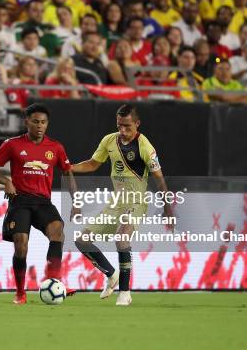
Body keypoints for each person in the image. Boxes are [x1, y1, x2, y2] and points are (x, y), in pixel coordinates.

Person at [70, 104, 172, 306]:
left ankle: (125, 292)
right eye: (119, 126)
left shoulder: (145, 146)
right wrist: (69, 166)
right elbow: (92, 163)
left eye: (127, 126)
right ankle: (111, 273)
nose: (123, 131)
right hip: (116, 204)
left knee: (121, 238)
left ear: (137, 124)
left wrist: (168, 208)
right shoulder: (109, 140)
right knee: (82, 241)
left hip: (136, 202)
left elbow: (159, 179)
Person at [0, 103, 76, 305]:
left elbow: (68, 173)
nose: (39, 126)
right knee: (21, 243)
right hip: (20, 201)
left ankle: (54, 281)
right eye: (35, 121)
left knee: (57, 231)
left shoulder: (56, 147)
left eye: (43, 122)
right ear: (26, 121)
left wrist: (76, 201)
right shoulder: (12, 144)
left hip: (43, 202)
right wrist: (6, 181)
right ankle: (20, 292)